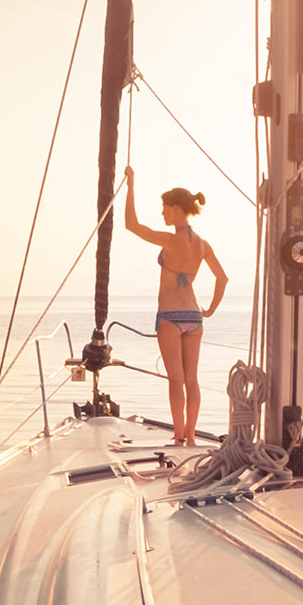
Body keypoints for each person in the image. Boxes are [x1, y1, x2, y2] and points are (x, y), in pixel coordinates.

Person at [123, 166, 227, 446]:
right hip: (194, 316)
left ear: (177, 209)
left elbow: (131, 225)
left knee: (175, 379)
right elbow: (222, 278)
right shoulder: (203, 245)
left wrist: (131, 185)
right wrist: (211, 309)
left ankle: (179, 435)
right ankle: (191, 437)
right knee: (192, 379)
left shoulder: (169, 240)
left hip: (169, 316)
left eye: (164, 208)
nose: (162, 214)